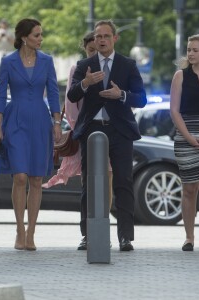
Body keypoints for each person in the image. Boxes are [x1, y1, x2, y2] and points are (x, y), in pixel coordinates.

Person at [67, 20, 147, 251]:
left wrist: (121, 94)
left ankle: (125, 237)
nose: (100, 40)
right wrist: (85, 83)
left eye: (105, 36)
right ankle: (88, 235)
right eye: (97, 36)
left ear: (114, 38)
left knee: (123, 181)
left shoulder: (128, 64)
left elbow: (141, 98)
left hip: (120, 130)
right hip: (92, 129)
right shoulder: (85, 64)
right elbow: (72, 96)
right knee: (89, 183)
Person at [0, 18, 61, 251]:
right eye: (36, 35)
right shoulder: (8, 62)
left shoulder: (47, 61)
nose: (41, 39)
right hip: (15, 120)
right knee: (20, 176)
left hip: (40, 121)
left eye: (41, 35)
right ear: (24, 37)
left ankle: (31, 231)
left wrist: (57, 122)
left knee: (36, 178)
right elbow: (0, 96)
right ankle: (19, 229)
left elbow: (53, 93)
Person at [42, 32, 113, 250]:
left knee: (107, 182)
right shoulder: (79, 69)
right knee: (88, 184)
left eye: (98, 49)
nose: (95, 53)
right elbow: (72, 108)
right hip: (87, 134)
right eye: (91, 50)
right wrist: (79, 130)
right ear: (85, 49)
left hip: (109, 133)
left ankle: (104, 231)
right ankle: (87, 232)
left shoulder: (111, 67)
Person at [170, 34, 199, 252]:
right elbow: (174, 111)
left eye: (195, 50)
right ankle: (189, 237)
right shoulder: (180, 76)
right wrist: (189, 137)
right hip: (185, 135)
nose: (190, 53)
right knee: (189, 188)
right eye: (188, 50)